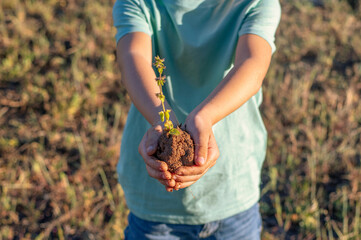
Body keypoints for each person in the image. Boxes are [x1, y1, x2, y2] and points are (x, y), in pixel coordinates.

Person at [113, 0, 281, 239]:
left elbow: (252, 63)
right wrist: (163, 122)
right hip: (155, 201)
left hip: (231, 191)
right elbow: (132, 56)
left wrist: (205, 117)